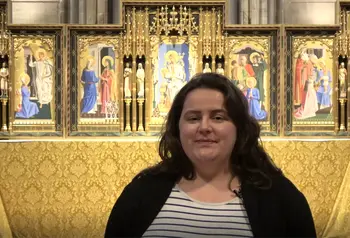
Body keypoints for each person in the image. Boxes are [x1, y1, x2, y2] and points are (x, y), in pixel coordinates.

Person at [105, 73, 316, 238]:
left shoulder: (280, 197)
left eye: (218, 117)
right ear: (177, 127)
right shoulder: (141, 192)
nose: (204, 127)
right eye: (193, 118)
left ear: (239, 128)